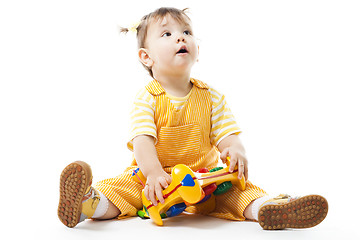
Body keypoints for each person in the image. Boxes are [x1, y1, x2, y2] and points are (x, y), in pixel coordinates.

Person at [57, 7, 328, 230]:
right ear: (146, 57)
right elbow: (142, 141)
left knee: (236, 191)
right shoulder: (147, 98)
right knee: (124, 189)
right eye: (167, 34)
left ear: (197, 50)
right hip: (156, 182)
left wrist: (235, 151)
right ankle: (88, 202)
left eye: (187, 32)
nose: (181, 38)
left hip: (205, 179)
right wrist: (153, 173)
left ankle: (269, 208)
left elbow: (227, 134)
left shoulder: (211, 96)